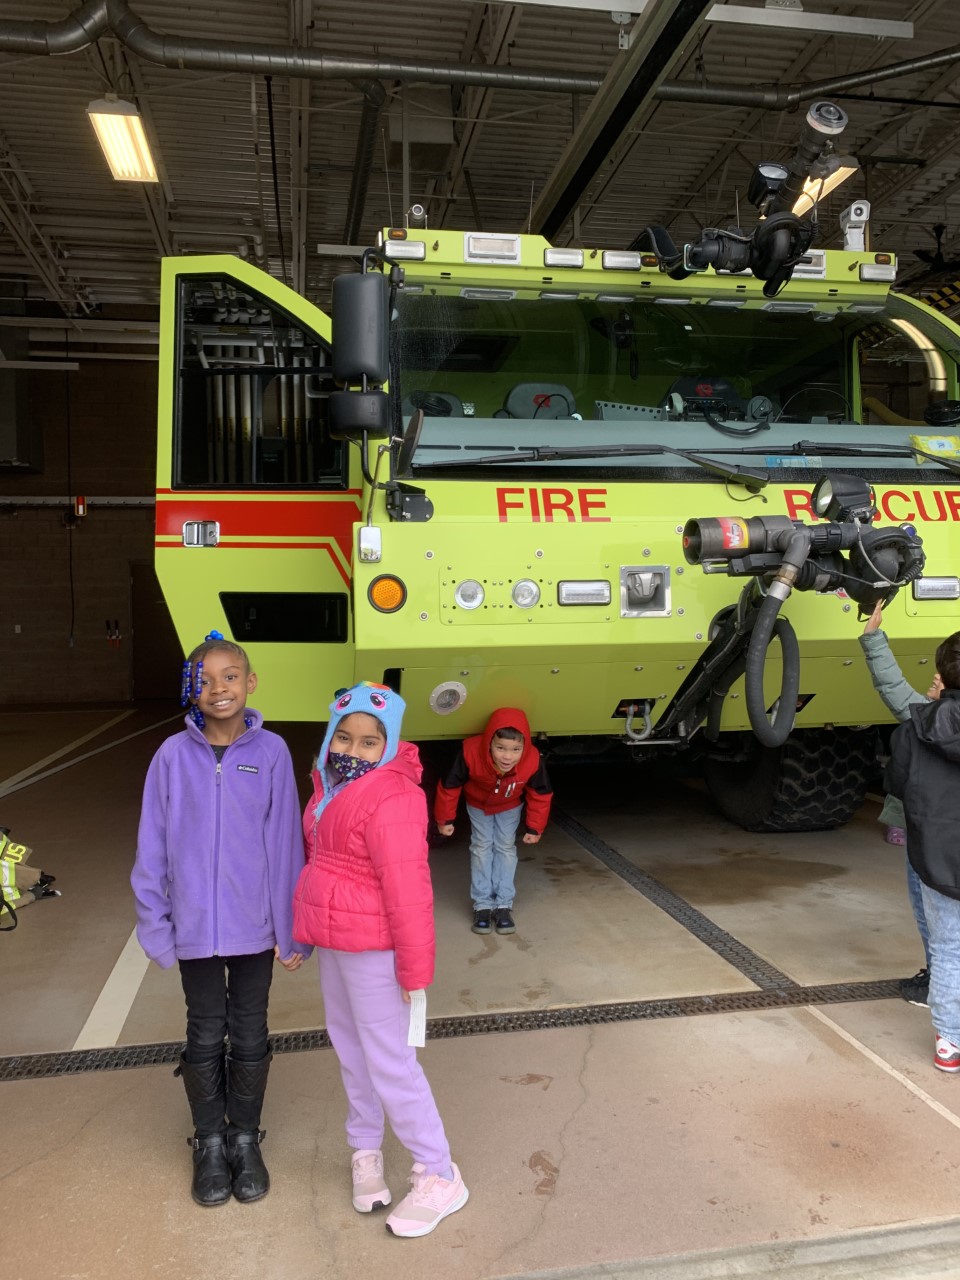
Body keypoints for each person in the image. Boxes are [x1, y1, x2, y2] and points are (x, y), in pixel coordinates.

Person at [131, 632, 307, 1208]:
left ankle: (243, 1137)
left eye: (230, 676)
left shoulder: (273, 752)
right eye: (205, 680)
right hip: (193, 928)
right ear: (192, 689)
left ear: (250, 683)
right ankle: (208, 1141)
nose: (218, 689)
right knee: (205, 1030)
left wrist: (291, 927)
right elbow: (152, 845)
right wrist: (156, 925)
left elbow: (285, 846)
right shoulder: (171, 756)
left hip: (254, 927)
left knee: (251, 1029)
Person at [292, 682, 468, 1238]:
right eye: (344, 736)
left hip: (374, 949)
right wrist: (303, 931)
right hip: (336, 941)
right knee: (350, 1049)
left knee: (391, 1061)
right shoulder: (329, 784)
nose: (355, 748)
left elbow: (409, 889)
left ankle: (439, 1172)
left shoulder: (393, 796)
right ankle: (365, 1149)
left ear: (390, 744)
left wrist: (415, 972)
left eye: (371, 741)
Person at [885, 627, 960, 1072]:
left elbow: (896, 785)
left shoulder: (918, 727)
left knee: (949, 946)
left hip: (936, 856)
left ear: (941, 676)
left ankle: (949, 1043)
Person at [860, 601, 943, 1006]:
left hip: (927, 837)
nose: (936, 676)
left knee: (933, 915)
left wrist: (874, 639)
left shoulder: (925, 721)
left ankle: (935, 987)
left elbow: (894, 689)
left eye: (943, 674)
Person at [434, 708, 552, 936]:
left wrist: (535, 826)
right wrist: (445, 819)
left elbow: (541, 793)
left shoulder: (532, 759)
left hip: (510, 806)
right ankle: (482, 905)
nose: (507, 756)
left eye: (516, 750)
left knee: (505, 847)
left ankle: (504, 905)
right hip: (478, 805)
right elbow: (450, 785)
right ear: (489, 743)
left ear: (524, 748)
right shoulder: (470, 751)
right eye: (500, 748)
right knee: (481, 847)